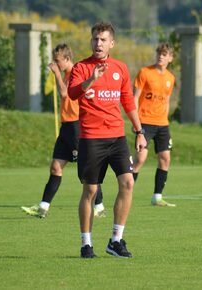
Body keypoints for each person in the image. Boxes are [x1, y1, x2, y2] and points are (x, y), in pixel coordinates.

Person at [68, 22, 146, 258]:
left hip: (117, 137)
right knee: (90, 191)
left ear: (111, 43)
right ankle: (86, 244)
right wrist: (91, 79)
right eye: (95, 39)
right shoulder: (81, 68)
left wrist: (139, 131)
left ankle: (116, 240)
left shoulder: (120, 68)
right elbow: (72, 94)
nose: (98, 43)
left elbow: (128, 102)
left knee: (128, 183)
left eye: (103, 40)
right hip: (92, 138)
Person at [21, 43, 106, 219]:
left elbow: (65, 93)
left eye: (57, 60)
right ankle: (43, 207)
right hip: (66, 127)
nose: (55, 63)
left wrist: (57, 74)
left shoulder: (74, 72)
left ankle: (99, 206)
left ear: (67, 59)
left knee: (86, 171)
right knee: (55, 167)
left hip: (76, 126)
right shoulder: (66, 72)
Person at [132, 43, 176, 207]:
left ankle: (157, 197)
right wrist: (136, 122)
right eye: (159, 53)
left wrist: (166, 118)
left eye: (165, 54)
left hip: (162, 124)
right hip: (145, 122)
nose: (161, 56)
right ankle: (126, 191)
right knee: (140, 159)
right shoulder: (145, 72)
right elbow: (135, 98)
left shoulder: (170, 78)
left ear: (170, 58)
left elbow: (167, 100)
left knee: (165, 159)